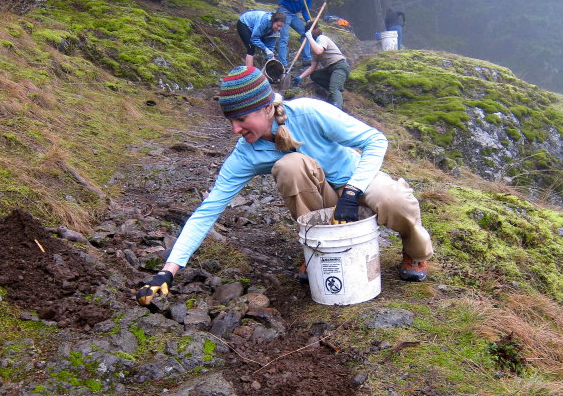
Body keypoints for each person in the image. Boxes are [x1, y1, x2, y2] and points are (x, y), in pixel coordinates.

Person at [135, 66, 433, 307]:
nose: (235, 130)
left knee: (394, 199)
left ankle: (415, 254)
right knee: (289, 166)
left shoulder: (309, 112)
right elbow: (208, 210)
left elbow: (375, 140)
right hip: (325, 201)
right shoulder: (246, 154)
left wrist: (354, 191)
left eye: (241, 119)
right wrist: (169, 270)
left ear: (266, 109)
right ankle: (321, 254)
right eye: (230, 121)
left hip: (358, 180)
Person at [293, 21, 350, 110]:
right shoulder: (314, 46)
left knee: (334, 88)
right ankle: (335, 92)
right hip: (330, 70)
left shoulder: (322, 38)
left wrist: (310, 38)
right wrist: (299, 78)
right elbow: (313, 67)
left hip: (339, 66)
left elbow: (319, 51)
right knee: (315, 75)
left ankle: (338, 108)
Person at [276, 0, 325, 68]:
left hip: (293, 14)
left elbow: (305, 11)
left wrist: (308, 22)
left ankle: (306, 59)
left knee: (306, 33)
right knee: (284, 37)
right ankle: (282, 63)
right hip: (284, 11)